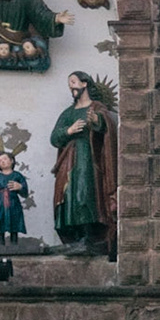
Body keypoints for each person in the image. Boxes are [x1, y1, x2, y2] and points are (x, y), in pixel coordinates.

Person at [50, 71, 118, 254]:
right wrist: (69, 131)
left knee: (84, 194)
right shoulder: (69, 112)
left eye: (73, 82)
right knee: (67, 196)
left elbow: (107, 124)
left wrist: (97, 120)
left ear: (84, 84)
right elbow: (54, 137)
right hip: (69, 159)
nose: (70, 86)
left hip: (88, 158)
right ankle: (75, 237)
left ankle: (89, 236)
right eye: (69, 83)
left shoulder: (96, 107)